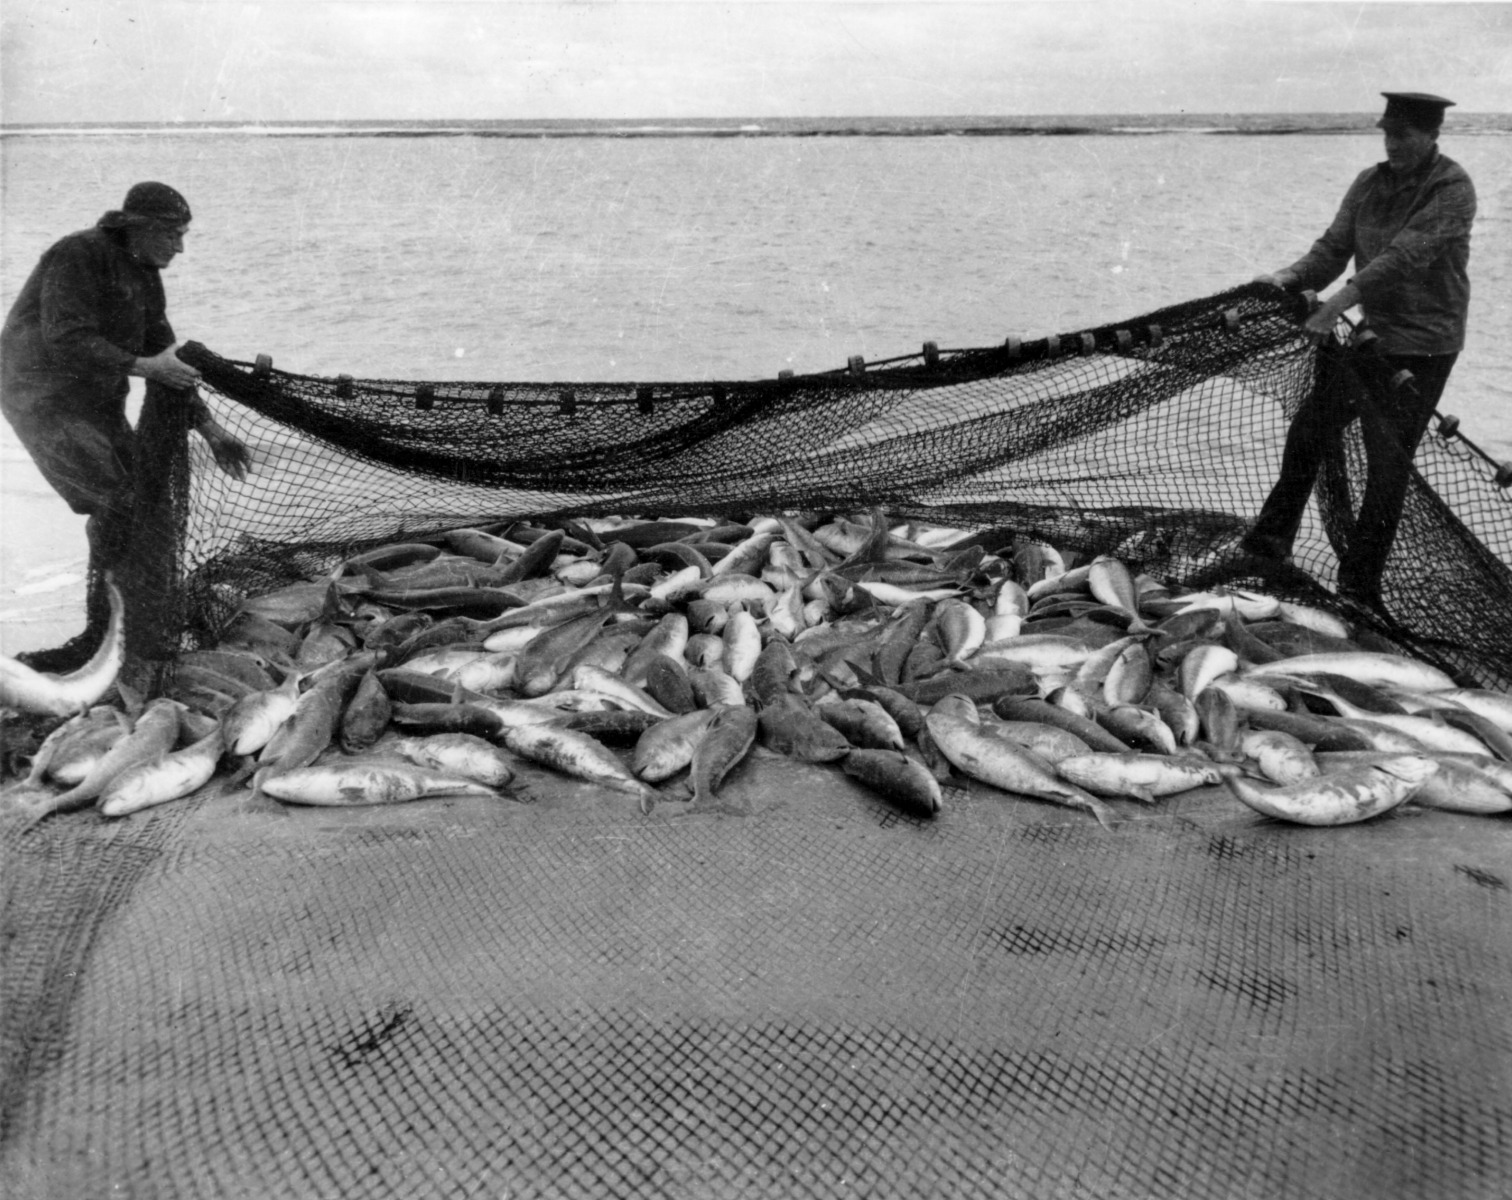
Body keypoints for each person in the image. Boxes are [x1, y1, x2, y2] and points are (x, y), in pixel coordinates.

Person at [1, 181, 250, 670]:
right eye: (174, 234)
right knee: (115, 501)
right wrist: (144, 367)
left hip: (96, 401)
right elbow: (66, 339)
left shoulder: (145, 273)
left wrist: (212, 429)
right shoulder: (78, 253)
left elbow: (165, 358)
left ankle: (115, 629)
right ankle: (102, 638)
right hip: (40, 397)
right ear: (141, 227)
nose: (180, 247)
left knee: (137, 500)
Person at [1242, 92, 1476, 607]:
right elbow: (1331, 250)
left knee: (1386, 464)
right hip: (1372, 336)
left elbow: (1403, 257)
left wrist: (1336, 305)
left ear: (1432, 136)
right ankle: (1270, 543)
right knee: (1309, 431)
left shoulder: (1452, 187)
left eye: (1404, 136)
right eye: (1387, 134)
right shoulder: (1370, 183)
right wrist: (1286, 276)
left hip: (1426, 346)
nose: (1393, 144)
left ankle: (1360, 586)